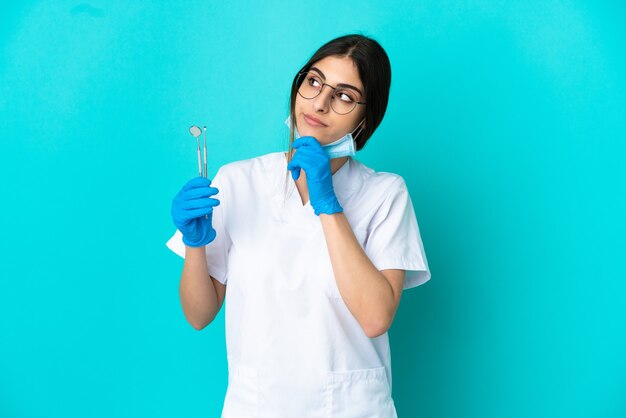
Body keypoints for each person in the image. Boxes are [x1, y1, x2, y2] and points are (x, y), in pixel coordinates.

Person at [166, 34, 431, 418]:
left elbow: (376, 318)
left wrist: (328, 205)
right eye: (314, 81)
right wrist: (194, 244)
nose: (320, 102)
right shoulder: (238, 180)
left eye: (344, 96)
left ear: (365, 118)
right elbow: (198, 315)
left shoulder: (386, 194)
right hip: (256, 407)